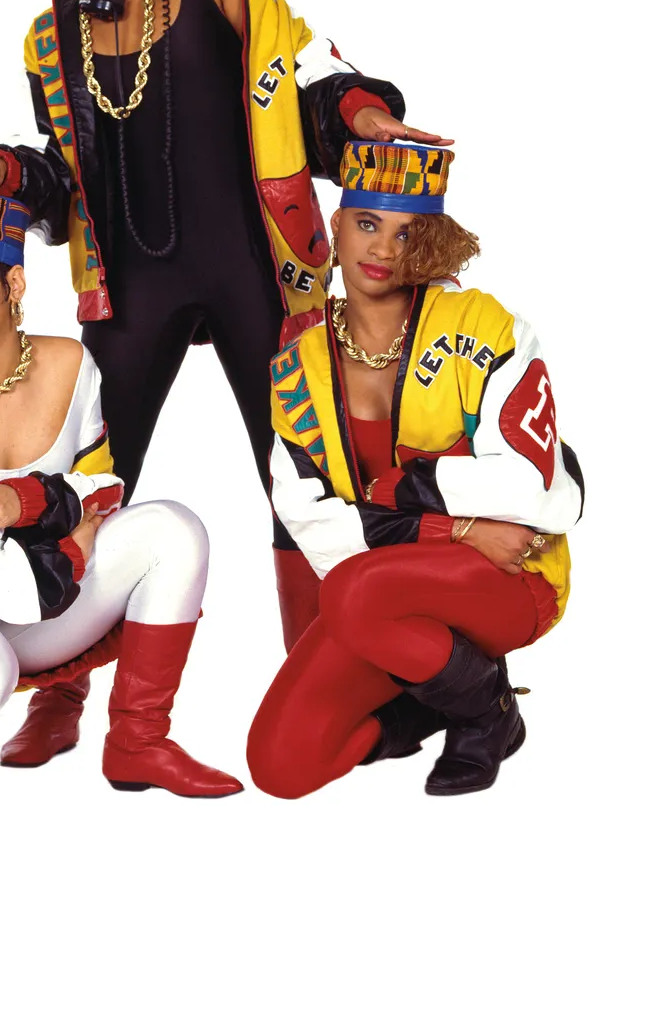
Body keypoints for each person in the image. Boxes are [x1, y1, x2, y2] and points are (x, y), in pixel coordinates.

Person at [0, 0, 449, 761]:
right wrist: (4, 173)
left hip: (255, 267)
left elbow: (295, 80)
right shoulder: (50, 34)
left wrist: (362, 115)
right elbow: (69, 173)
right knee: (85, 483)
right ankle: (60, 694)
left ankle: (327, 673)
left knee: (303, 473)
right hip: (130, 285)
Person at [0, 191, 242, 806]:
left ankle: (138, 741)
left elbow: (104, 489)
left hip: (40, 601)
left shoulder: (69, 362)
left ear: (15, 283)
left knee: (173, 529)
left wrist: (24, 500)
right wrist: (73, 538)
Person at [246, 140, 584, 798]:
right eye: (367, 223)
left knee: (352, 593)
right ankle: (439, 700)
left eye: (407, 233)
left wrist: (406, 489)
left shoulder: (486, 328)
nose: (382, 249)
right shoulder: (296, 361)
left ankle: (488, 711)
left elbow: (534, 490)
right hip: (387, 594)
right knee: (281, 765)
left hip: (511, 579)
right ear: (335, 225)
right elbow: (314, 526)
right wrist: (452, 529)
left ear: (430, 242)